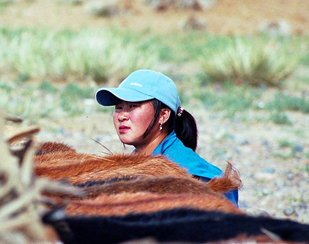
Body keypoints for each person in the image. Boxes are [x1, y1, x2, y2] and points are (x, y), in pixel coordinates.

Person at [95, 69, 239, 206]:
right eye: (118, 107)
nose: (122, 116)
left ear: (163, 115)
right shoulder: (127, 167)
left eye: (133, 106)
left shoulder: (197, 176)